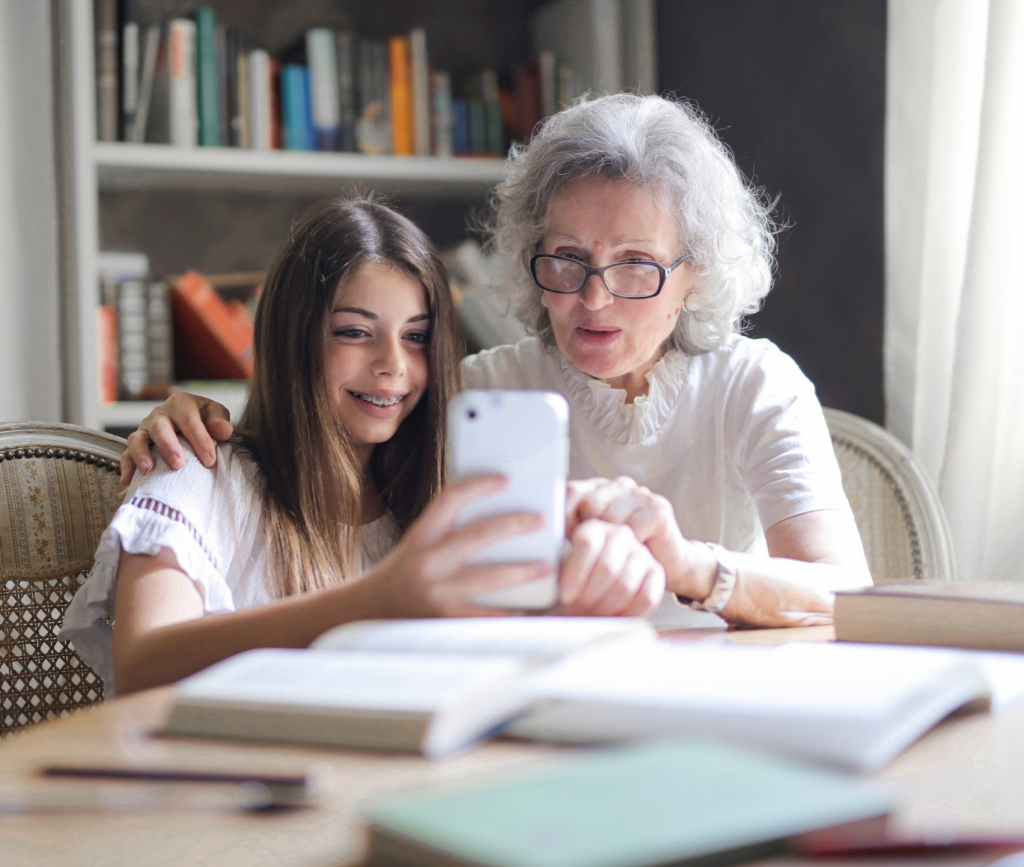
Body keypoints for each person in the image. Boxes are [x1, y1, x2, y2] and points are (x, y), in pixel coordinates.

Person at [120, 94, 872, 629]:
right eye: (568, 259)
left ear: (695, 274)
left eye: (637, 265)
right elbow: (325, 443)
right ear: (528, 253)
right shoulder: (475, 392)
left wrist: (688, 564)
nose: (594, 299)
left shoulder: (754, 382)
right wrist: (192, 418)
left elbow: (845, 593)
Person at [61, 196, 664, 697]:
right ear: (292, 338)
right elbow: (142, 665)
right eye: (354, 333)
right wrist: (379, 599)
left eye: (417, 338)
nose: (393, 368)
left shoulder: (434, 502)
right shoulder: (195, 471)